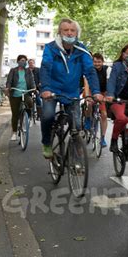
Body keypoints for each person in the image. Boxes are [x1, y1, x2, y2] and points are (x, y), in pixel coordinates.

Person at [40, 18, 103, 159]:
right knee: (48, 115)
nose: (69, 33)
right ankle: (46, 143)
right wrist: (45, 89)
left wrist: (96, 92)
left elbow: (90, 71)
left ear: (77, 33)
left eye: (72, 30)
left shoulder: (82, 50)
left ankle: (76, 156)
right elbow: (46, 67)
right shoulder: (51, 48)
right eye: (65, 30)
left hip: (72, 92)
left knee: (76, 125)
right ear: (59, 32)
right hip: (52, 91)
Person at [106, 43, 128, 153]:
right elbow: (112, 81)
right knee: (122, 119)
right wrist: (110, 95)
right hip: (118, 100)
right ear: (123, 55)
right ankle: (114, 140)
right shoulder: (117, 66)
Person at [5, 55, 35, 141]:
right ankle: (14, 133)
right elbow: (9, 81)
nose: (24, 62)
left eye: (25, 61)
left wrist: (34, 88)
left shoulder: (28, 71)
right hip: (15, 93)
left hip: (25, 93)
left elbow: (32, 80)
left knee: (30, 102)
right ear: (18, 62)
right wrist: (8, 87)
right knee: (15, 114)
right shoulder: (13, 71)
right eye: (22, 60)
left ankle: (29, 117)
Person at [82, 53, 109, 147]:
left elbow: (109, 83)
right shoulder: (89, 70)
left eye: (99, 62)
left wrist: (108, 96)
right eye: (95, 62)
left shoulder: (107, 69)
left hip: (102, 93)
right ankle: (88, 119)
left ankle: (102, 138)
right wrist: (88, 96)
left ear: (103, 62)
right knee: (89, 104)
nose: (97, 64)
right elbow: (86, 84)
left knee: (104, 114)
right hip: (90, 91)